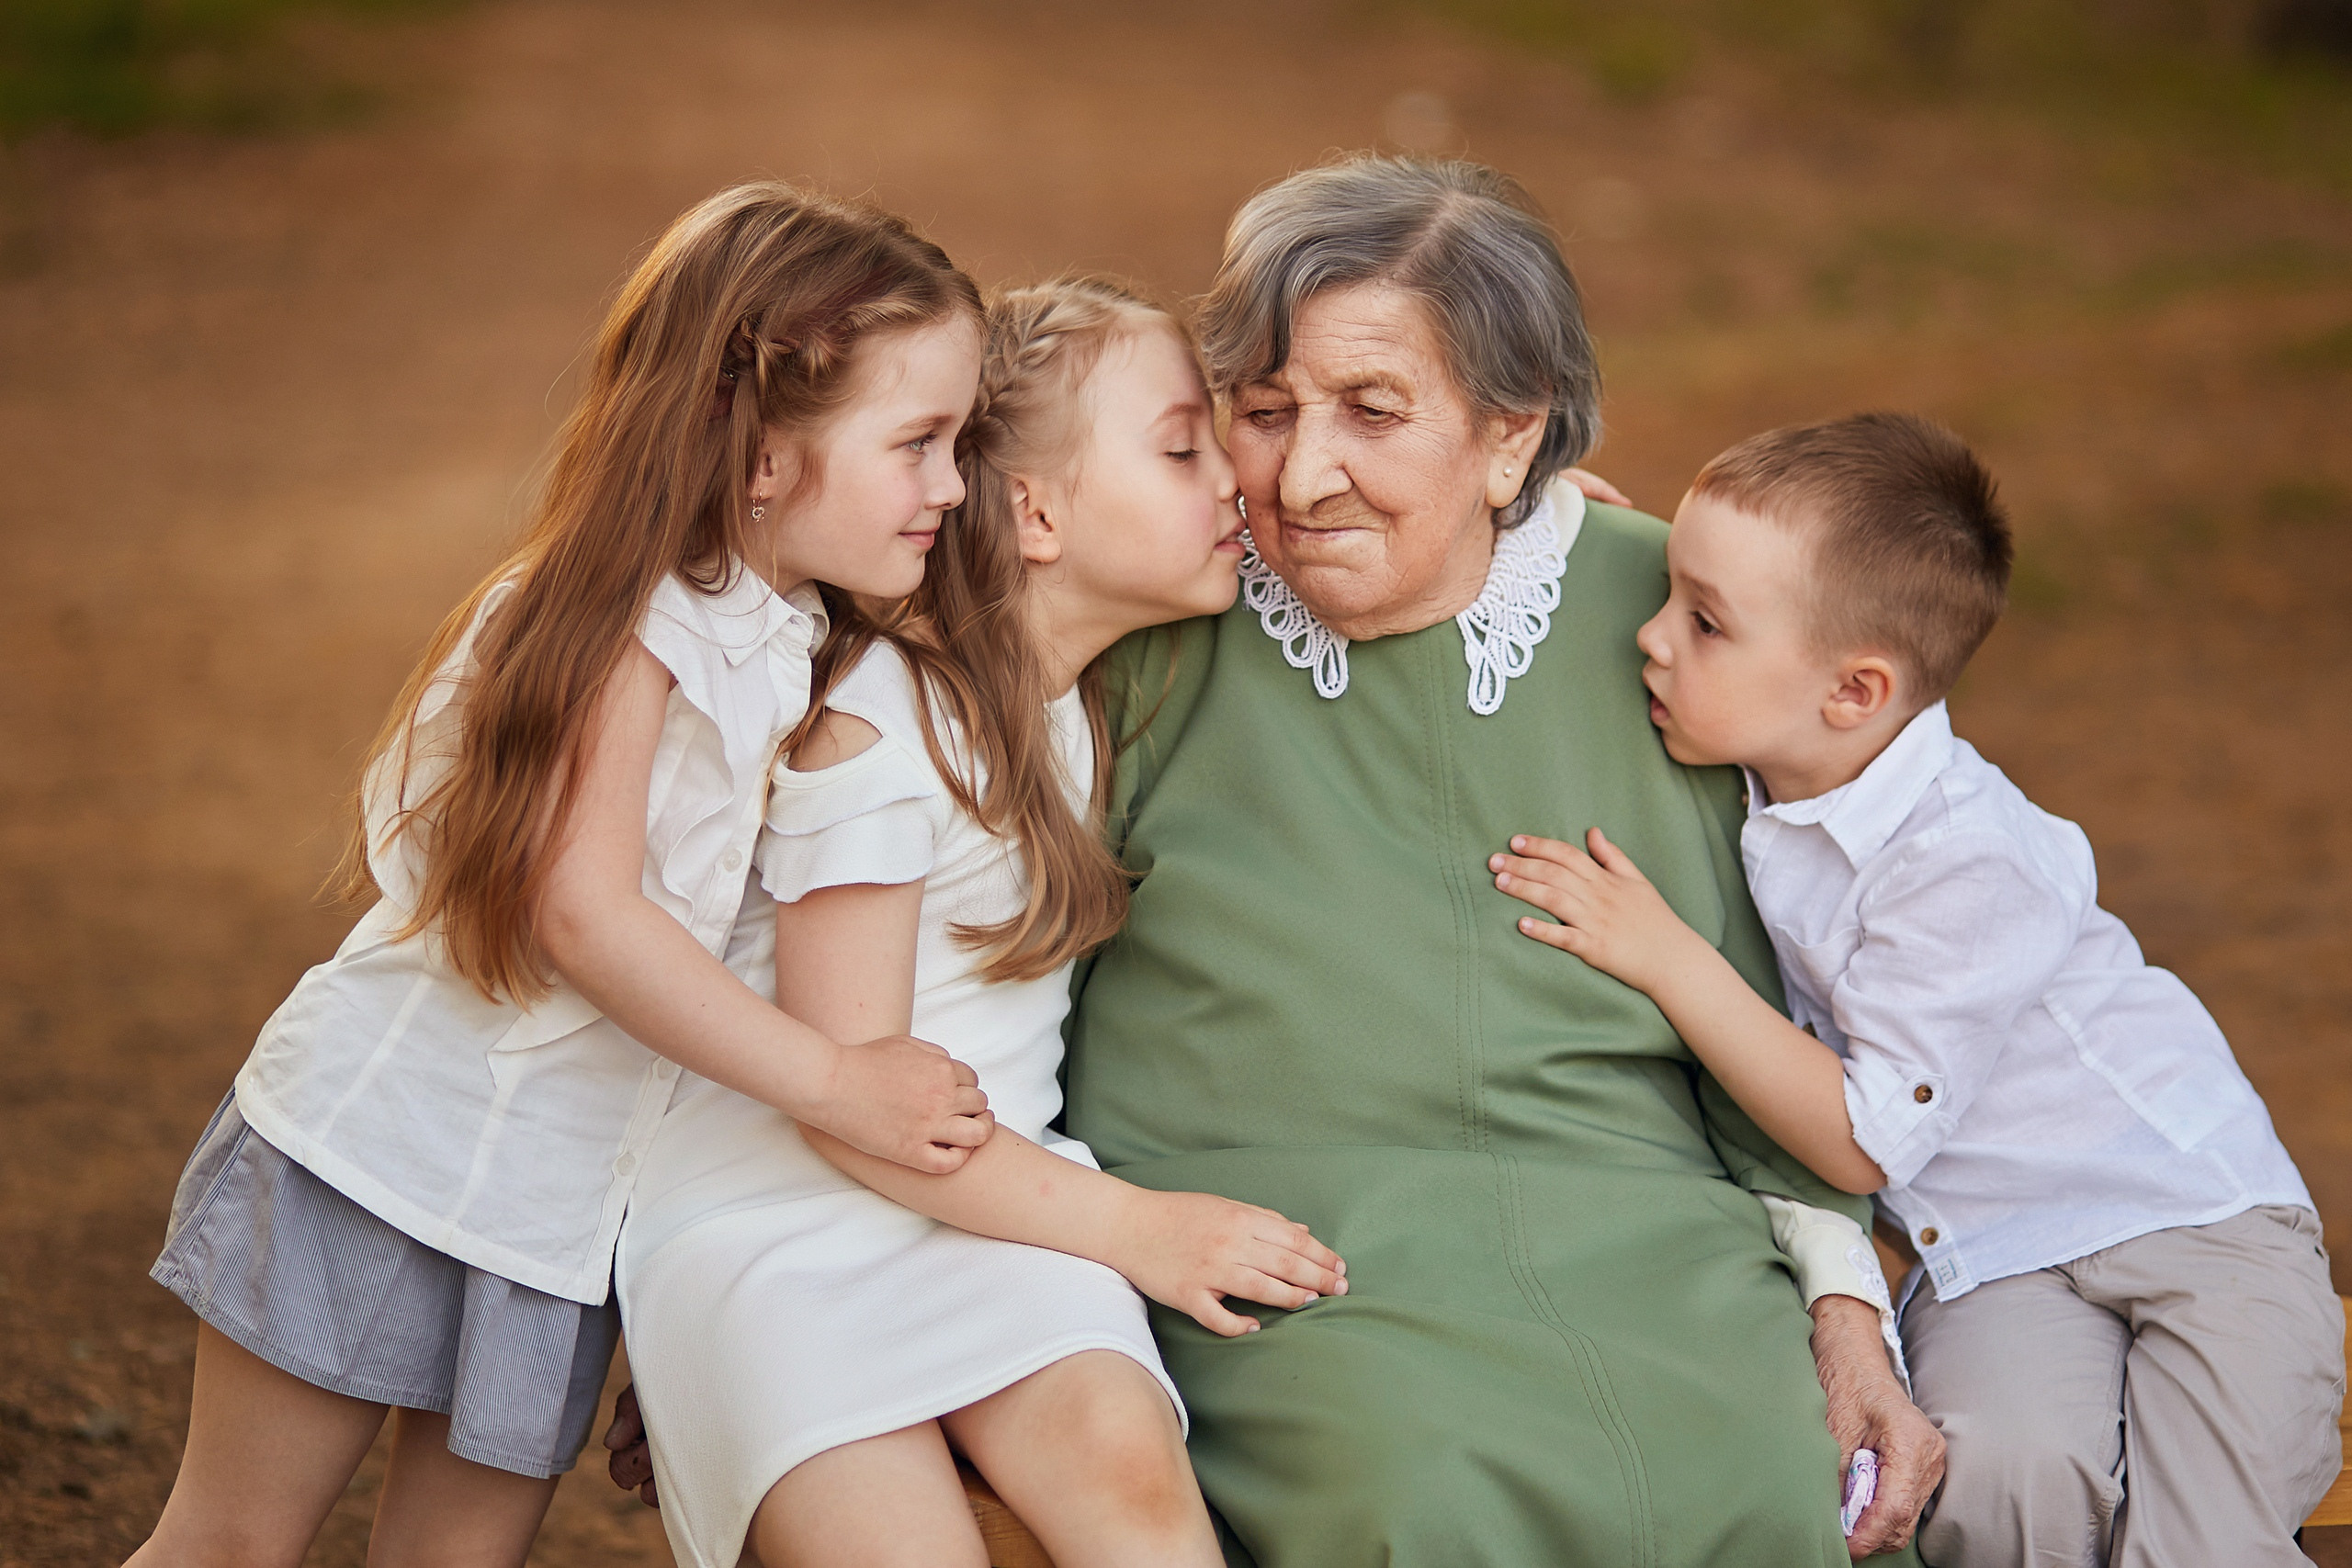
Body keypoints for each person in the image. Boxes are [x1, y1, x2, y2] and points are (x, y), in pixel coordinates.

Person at [1053, 156, 1941, 1565]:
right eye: (1264, 411)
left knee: (1760, 1486)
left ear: (1512, 438)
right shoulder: (1155, 611)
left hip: (1649, 1237)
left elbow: (1797, 995)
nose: (1301, 474)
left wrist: (1845, 1310)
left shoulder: (1684, 622)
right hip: (1280, 1250)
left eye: (1374, 412)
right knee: (1417, 1497)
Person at [128, 183, 996, 1568]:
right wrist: (838, 1087)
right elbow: (580, 910)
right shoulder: (631, 622)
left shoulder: (800, 640)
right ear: (763, 454)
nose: (953, 486)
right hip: (385, 1151)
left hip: (557, 1211)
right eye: (920, 443)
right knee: (233, 1538)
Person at [1491, 412, 2345, 1567]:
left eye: (1699, 623)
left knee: (2196, 1540)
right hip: (1989, 1254)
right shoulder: (1771, 744)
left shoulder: (1968, 858)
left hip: (2192, 1223)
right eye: (1664, 594)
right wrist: (1552, 530)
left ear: (1853, 691)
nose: (1649, 637)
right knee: (1994, 1491)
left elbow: (1861, 1143)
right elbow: (1724, 580)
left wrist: (1666, 956)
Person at [616, 278, 1348, 1568]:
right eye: (1183, 448)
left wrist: (1540, 519)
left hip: (994, 1206)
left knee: (1134, 1485)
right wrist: (1142, 1228)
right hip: (790, 1217)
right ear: (1036, 510)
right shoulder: (879, 728)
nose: (1232, 481)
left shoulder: (1082, 693)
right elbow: (854, 1099)